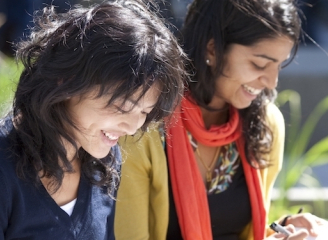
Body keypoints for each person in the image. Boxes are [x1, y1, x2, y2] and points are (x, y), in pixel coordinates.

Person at [0, 0, 187, 239]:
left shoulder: (103, 161)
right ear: (66, 80)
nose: (133, 127)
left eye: (144, 112)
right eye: (122, 107)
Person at [114, 0, 327, 239]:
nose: (271, 82)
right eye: (259, 64)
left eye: (279, 66)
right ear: (212, 49)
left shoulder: (265, 123)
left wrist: (287, 229)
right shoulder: (144, 125)